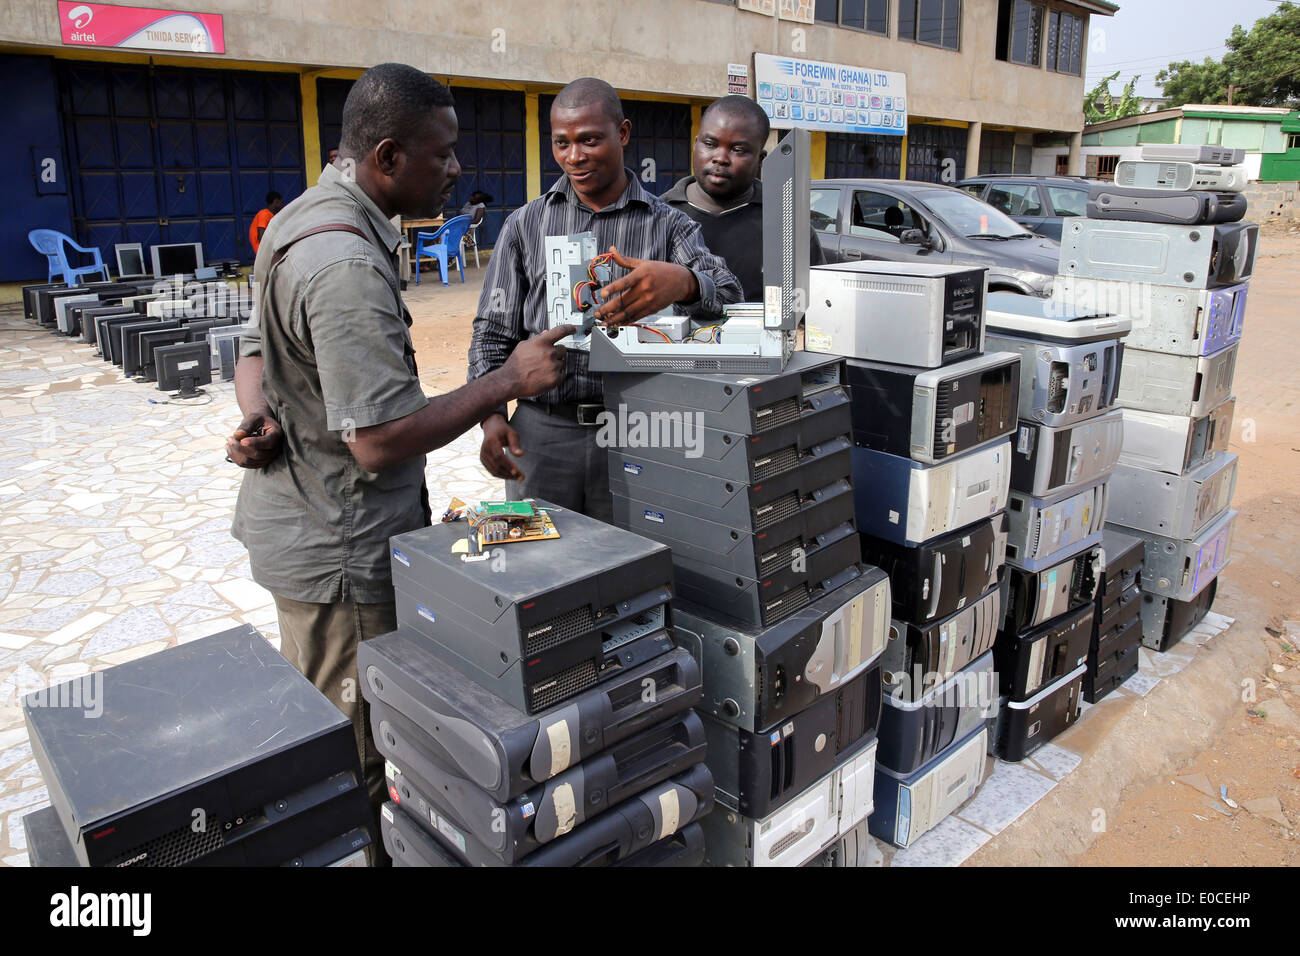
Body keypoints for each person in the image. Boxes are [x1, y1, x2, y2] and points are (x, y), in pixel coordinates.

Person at [225, 63, 573, 848]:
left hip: (309, 533)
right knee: (360, 753)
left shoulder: (302, 216)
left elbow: (253, 348)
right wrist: (505, 381)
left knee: (345, 732)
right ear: (387, 157)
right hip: (342, 557)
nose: (456, 170)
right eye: (442, 154)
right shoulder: (344, 264)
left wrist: (261, 413)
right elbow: (377, 443)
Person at [467, 78, 742, 521]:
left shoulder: (668, 225)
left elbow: (729, 296)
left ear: (623, 133)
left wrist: (685, 282)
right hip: (541, 433)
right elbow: (492, 332)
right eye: (562, 143)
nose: (574, 157)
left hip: (640, 430)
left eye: (589, 140)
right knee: (539, 566)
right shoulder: (524, 225)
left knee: (636, 566)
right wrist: (491, 413)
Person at [662, 94, 825, 302]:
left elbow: (815, 309)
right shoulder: (657, 216)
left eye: (738, 150)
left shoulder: (787, 224)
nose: (720, 158)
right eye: (710, 144)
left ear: (760, 159)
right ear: (695, 145)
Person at [248, 191, 283, 255]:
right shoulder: (264, 214)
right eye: (281, 203)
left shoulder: (271, 215)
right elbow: (262, 237)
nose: (282, 206)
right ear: (276, 202)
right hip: (263, 252)